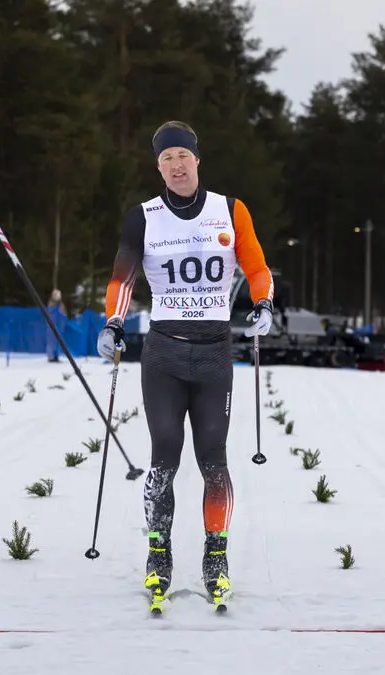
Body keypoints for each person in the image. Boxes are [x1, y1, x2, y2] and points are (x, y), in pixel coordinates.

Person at [95, 120, 273, 614]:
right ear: (158, 167)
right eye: (166, 159)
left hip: (215, 351)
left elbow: (256, 268)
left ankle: (216, 557)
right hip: (165, 354)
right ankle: (159, 552)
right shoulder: (143, 217)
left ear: (198, 159)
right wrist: (114, 322)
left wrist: (263, 305)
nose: (176, 165)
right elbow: (123, 278)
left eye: (183, 156)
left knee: (214, 459)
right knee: (164, 456)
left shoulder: (229, 210)